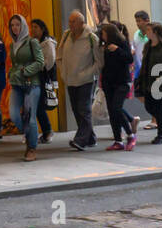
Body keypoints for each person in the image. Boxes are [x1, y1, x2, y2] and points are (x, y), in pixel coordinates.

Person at [58, 10, 102, 150]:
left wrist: (87, 74)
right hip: (70, 79)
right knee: (76, 110)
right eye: (69, 21)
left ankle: (80, 140)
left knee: (84, 109)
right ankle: (90, 137)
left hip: (86, 81)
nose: (70, 24)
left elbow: (99, 62)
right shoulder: (66, 36)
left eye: (73, 22)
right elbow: (58, 56)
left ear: (82, 23)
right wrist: (63, 72)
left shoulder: (91, 38)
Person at [6, 14, 44, 162]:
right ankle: (28, 134)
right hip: (16, 84)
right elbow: (15, 63)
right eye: (12, 25)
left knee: (30, 118)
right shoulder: (12, 44)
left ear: (23, 26)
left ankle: (31, 148)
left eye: (17, 24)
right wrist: (11, 73)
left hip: (31, 85)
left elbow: (40, 62)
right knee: (14, 115)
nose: (15, 28)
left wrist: (25, 71)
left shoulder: (32, 42)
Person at [98, 17, 137, 151]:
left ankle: (130, 135)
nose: (102, 36)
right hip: (109, 83)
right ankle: (118, 140)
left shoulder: (122, 43)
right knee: (112, 112)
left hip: (122, 82)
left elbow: (129, 58)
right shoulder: (104, 47)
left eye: (103, 33)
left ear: (110, 33)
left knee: (116, 108)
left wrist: (117, 50)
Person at [137, 21, 162, 143]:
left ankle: (161, 134)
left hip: (160, 84)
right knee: (149, 106)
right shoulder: (148, 47)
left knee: (158, 108)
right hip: (147, 82)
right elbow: (144, 64)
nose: (146, 32)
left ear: (155, 32)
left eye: (149, 30)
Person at [30, 17, 57, 143]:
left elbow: (50, 60)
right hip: (33, 76)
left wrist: (38, 66)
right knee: (34, 105)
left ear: (42, 29)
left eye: (36, 27)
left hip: (42, 76)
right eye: (32, 27)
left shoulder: (48, 43)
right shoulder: (33, 42)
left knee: (39, 105)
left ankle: (47, 130)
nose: (33, 29)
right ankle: (45, 130)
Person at [132, 10, 156, 129]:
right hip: (139, 69)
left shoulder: (152, 33)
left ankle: (155, 119)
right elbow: (134, 46)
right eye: (136, 21)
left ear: (147, 21)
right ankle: (158, 115)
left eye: (139, 21)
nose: (137, 23)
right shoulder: (136, 34)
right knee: (139, 94)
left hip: (151, 69)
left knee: (152, 95)